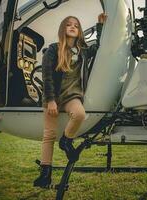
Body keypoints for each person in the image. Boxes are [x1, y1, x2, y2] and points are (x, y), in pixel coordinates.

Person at [33, 13, 107, 188]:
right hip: (54, 97)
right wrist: (50, 100)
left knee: (79, 114)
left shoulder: (83, 51)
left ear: (79, 31)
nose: (73, 27)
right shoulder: (53, 49)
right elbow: (48, 76)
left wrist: (101, 26)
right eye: (68, 25)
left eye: (76, 25)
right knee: (49, 135)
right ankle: (45, 175)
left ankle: (66, 141)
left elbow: (100, 47)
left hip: (72, 96)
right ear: (63, 29)